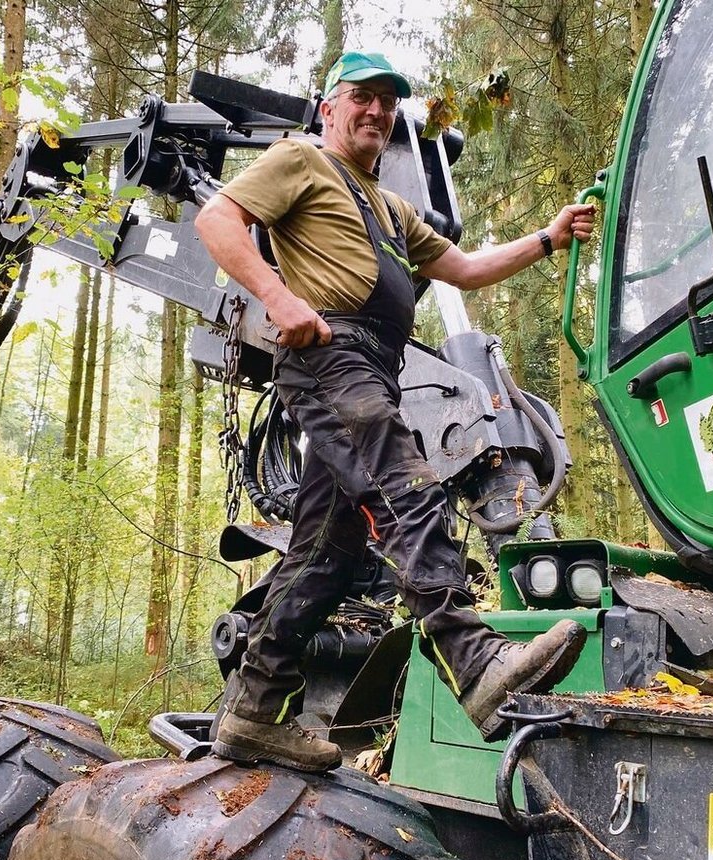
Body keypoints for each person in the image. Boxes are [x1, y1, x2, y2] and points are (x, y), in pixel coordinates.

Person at [195, 50, 597, 773]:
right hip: (329, 352)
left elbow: (467, 268)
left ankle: (252, 712)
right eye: (362, 97)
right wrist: (277, 298)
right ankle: (475, 664)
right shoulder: (300, 160)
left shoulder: (390, 208)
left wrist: (548, 237)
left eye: (388, 101)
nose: (376, 111)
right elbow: (218, 219)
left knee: (325, 553)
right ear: (330, 107)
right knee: (408, 485)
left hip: (375, 367)